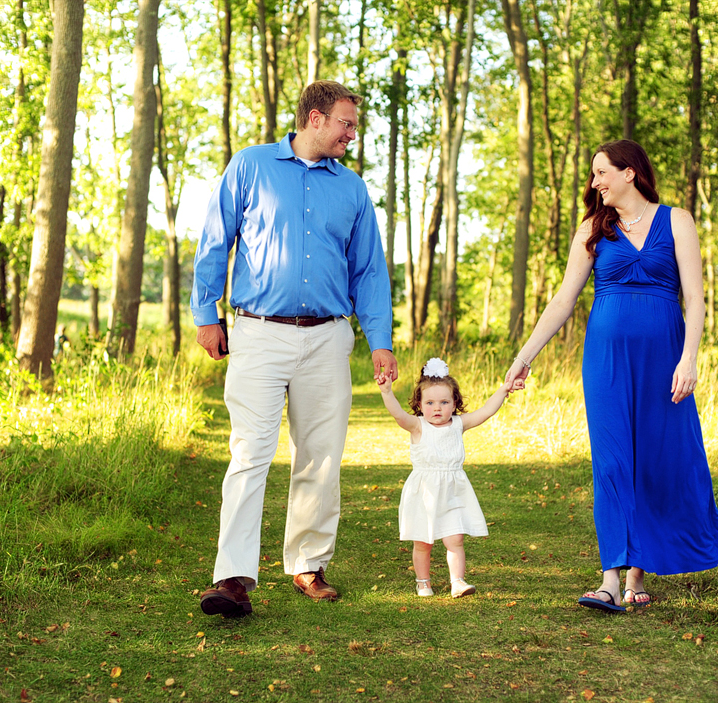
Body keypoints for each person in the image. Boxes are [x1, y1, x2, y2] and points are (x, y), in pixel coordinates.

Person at [191, 80, 397, 618]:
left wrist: (380, 341)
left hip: (328, 336)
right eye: (346, 123)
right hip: (258, 331)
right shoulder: (251, 165)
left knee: (321, 456)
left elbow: (370, 270)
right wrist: (205, 314)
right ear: (314, 118)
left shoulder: (352, 189)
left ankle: (308, 564)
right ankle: (233, 577)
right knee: (250, 453)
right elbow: (216, 240)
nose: (353, 134)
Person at [505, 139, 718, 613]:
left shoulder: (677, 221)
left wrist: (689, 358)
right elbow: (564, 300)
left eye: (602, 172)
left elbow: (695, 298)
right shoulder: (593, 228)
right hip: (606, 360)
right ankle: (610, 577)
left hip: (665, 358)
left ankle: (637, 573)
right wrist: (525, 355)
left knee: (652, 459)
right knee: (611, 462)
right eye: (593, 175)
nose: (595, 183)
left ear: (630, 173)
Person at [376, 358, 517, 598]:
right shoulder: (418, 426)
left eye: (444, 402)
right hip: (425, 493)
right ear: (420, 404)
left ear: (454, 404)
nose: (437, 408)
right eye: (430, 402)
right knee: (423, 542)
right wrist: (387, 392)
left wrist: (503, 390)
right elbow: (399, 415)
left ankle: (458, 581)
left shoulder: (458, 425)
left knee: (455, 538)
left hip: (453, 492)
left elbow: (485, 412)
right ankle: (423, 582)